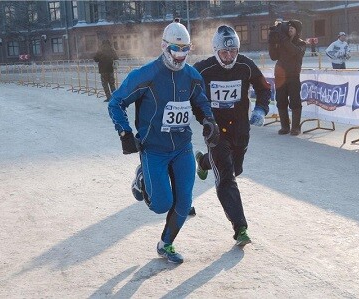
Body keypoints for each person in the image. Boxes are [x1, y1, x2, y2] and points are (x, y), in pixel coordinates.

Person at [107, 19, 219, 264]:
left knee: (185, 201)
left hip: (182, 148)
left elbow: (200, 103)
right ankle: (141, 177)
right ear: (164, 47)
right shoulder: (146, 75)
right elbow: (116, 102)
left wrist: (209, 121)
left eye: (185, 50)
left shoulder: (191, 76)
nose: (180, 56)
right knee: (161, 205)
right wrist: (125, 133)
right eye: (175, 50)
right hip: (154, 149)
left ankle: (166, 244)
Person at [192, 25, 271, 246]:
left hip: (240, 128)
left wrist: (260, 109)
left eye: (233, 52)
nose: (229, 57)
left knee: (236, 168)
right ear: (215, 51)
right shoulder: (203, 70)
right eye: (224, 53)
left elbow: (264, 87)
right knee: (227, 177)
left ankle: (203, 161)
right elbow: (187, 92)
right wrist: (204, 119)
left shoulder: (246, 65)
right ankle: (240, 227)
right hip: (215, 131)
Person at [268, 19, 306, 136]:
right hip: (280, 76)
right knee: (281, 101)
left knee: (295, 101)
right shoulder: (282, 42)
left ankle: (295, 127)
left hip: (293, 76)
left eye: (292, 28)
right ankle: (285, 126)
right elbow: (273, 57)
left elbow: (294, 51)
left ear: (297, 31)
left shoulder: (301, 44)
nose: (289, 29)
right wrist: (271, 41)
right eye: (288, 28)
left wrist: (283, 38)